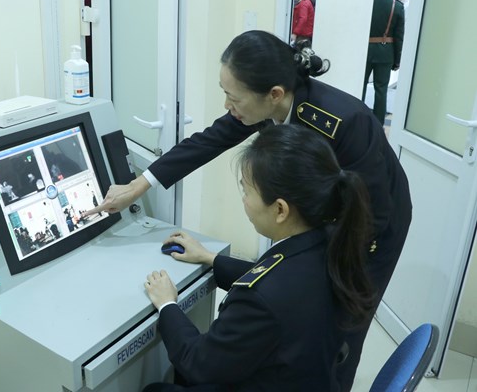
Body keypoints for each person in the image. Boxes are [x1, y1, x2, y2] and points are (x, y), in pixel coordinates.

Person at [86, 29, 412, 391]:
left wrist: (169, 305)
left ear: (273, 95)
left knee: (340, 324)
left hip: (373, 227)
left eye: (232, 97)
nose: (228, 105)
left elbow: (370, 215)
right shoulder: (265, 103)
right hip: (320, 222)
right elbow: (210, 139)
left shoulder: (344, 122)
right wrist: (140, 184)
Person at [142, 124, 376, 391]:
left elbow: (198, 363)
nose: (244, 200)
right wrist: (211, 258)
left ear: (280, 209)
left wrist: (167, 304)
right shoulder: (329, 242)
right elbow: (277, 278)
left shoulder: (260, 300)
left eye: (247, 191)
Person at [362, 0, 405, 125]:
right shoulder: (397, 6)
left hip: (365, 51)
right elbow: (399, 37)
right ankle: (378, 124)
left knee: (361, 87)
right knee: (381, 90)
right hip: (385, 52)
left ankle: (358, 117)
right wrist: (397, 60)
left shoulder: (365, 3)